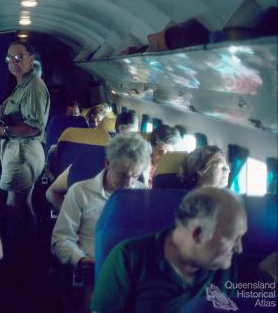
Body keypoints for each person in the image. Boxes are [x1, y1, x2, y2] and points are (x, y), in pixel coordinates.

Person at [91, 187, 247, 313]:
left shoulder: (226, 263)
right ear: (198, 234)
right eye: (233, 238)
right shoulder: (128, 257)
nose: (239, 249)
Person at [51, 133, 152, 313]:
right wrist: (80, 260)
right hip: (94, 269)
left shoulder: (143, 195)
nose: (128, 183)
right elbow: (61, 240)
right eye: (122, 175)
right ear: (107, 163)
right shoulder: (80, 191)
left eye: (135, 176)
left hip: (133, 273)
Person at [0, 40, 50, 227]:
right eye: (10, 58)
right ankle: (28, 247)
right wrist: (1, 122)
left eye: (19, 57)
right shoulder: (23, 84)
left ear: (31, 59)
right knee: (24, 205)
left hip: (22, 153)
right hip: (21, 151)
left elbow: (34, 127)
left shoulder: (33, 88)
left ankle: (17, 249)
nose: (14, 61)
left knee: (13, 206)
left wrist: (3, 130)